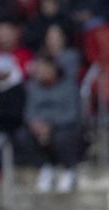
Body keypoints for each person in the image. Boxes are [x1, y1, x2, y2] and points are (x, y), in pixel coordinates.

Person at [18, 55, 81, 193]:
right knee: (22, 136)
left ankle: (68, 170)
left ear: (53, 69)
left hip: (62, 126)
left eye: (42, 68)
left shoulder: (69, 86)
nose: (39, 72)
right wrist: (36, 125)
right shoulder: (33, 87)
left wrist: (50, 125)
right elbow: (29, 112)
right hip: (39, 127)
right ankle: (44, 169)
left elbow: (73, 114)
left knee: (62, 137)